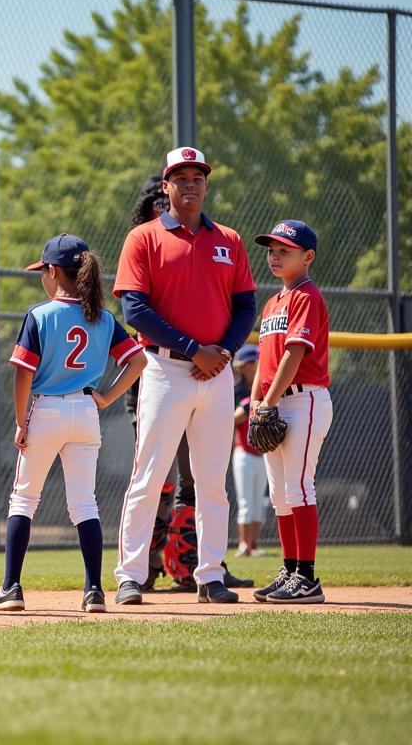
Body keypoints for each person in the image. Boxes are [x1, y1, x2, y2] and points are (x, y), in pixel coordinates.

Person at [113, 147, 257, 605]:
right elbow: (134, 308)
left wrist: (225, 352)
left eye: (198, 177)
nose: (191, 183)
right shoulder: (144, 238)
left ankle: (209, 575)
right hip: (163, 369)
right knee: (149, 474)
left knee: (212, 481)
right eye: (182, 176)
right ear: (166, 185)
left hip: (215, 375)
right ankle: (131, 575)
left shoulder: (229, 240)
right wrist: (196, 349)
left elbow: (246, 306)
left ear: (206, 186)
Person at [0, 234, 145, 613]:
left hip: (47, 409)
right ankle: (93, 591)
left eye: (44, 271)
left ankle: (11, 587)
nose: (43, 276)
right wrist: (105, 396)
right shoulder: (103, 317)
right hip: (86, 411)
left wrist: (20, 421)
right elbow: (138, 361)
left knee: (24, 499)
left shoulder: (41, 314)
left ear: (53, 272)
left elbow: (24, 373)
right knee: (85, 503)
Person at [250, 220, 332, 604]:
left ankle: (308, 577)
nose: (275, 255)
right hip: (275, 401)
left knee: (299, 487)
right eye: (272, 249)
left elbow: (294, 354)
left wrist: (268, 402)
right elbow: (266, 361)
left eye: (285, 250)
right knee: (281, 495)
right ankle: (290, 570)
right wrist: (256, 403)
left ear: (308, 256)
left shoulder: (306, 295)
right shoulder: (272, 303)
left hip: (304, 400)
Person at [231, 344, 266, 557]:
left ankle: (252, 545)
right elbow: (231, 419)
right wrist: (247, 407)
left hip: (263, 452)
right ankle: (243, 545)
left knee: (259, 504)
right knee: (246, 502)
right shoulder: (238, 392)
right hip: (243, 451)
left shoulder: (267, 387)